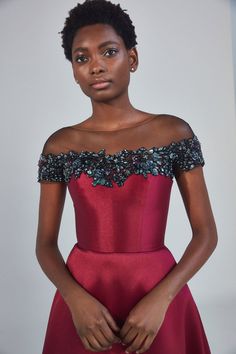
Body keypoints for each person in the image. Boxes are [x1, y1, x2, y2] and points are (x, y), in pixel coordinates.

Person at [36, 1, 218, 353]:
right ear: (73, 72)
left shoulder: (173, 132)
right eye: (82, 58)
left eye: (109, 52)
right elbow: (45, 244)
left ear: (132, 59)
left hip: (158, 288)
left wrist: (162, 298)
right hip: (84, 296)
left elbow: (206, 234)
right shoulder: (60, 145)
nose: (96, 66)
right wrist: (75, 299)